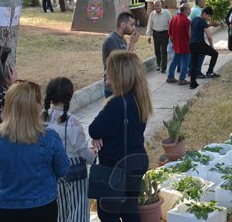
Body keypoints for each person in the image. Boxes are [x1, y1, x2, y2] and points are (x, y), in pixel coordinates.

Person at [0, 81, 69, 221]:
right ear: (34, 107)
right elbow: (62, 170)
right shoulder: (49, 138)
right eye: (39, 101)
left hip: (3, 208)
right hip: (41, 208)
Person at [89, 51, 152, 222]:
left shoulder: (117, 103)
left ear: (119, 74)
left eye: (109, 69)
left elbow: (94, 129)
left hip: (115, 168)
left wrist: (98, 136)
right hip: (136, 162)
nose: (105, 73)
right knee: (130, 212)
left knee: (107, 214)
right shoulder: (139, 99)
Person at [42, 77, 94, 222]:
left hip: (53, 167)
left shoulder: (43, 117)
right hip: (74, 167)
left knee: (61, 209)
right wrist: (93, 158)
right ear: (69, 95)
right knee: (79, 209)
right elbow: (82, 150)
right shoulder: (71, 120)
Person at [102, 12, 139, 98]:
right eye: (132, 24)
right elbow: (123, 63)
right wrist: (132, 43)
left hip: (122, 86)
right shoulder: (111, 40)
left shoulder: (122, 40)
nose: (134, 28)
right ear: (123, 24)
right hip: (113, 88)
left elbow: (129, 62)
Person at [189, 7, 220, 89]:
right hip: (200, 44)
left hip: (192, 43)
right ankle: (210, 72)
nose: (209, 18)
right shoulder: (203, 21)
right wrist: (211, 45)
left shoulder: (194, 19)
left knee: (194, 63)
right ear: (204, 14)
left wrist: (211, 24)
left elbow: (191, 31)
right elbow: (209, 36)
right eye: (208, 16)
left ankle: (193, 83)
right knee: (215, 54)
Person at [167, 4, 192, 85]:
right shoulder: (186, 21)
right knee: (185, 62)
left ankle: (170, 77)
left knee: (175, 61)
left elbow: (170, 34)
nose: (190, 11)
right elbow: (190, 34)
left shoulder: (174, 18)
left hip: (176, 44)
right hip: (185, 45)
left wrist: (174, 42)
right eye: (189, 9)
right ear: (185, 10)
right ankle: (182, 79)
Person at [146, 0, 173, 73]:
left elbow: (171, 25)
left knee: (163, 50)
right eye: (155, 6)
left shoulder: (167, 13)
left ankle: (163, 67)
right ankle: (159, 64)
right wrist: (148, 35)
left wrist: (171, 35)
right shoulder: (152, 14)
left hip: (164, 33)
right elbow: (149, 25)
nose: (156, 7)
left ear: (161, 5)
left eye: (158, 5)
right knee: (157, 50)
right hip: (156, 33)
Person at [190, 0, 208, 78]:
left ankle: (191, 71)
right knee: (201, 53)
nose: (204, 2)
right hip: (197, 38)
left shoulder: (194, 9)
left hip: (193, 36)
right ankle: (197, 72)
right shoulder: (198, 11)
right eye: (203, 0)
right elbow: (200, 25)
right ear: (199, 1)